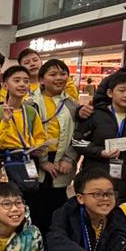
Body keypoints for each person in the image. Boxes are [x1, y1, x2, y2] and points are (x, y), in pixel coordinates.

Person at [74, 71, 126, 202]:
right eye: (121, 90)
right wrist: (100, 152)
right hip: (96, 176)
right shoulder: (95, 115)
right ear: (110, 93)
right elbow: (77, 141)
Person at [28, 59, 80, 235]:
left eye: (63, 74)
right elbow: (27, 133)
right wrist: (42, 161)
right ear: (41, 79)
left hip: (62, 163)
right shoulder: (30, 103)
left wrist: (69, 159)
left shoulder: (72, 105)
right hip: (35, 162)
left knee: (57, 208)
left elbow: (79, 135)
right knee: (35, 207)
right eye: (53, 74)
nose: (59, 78)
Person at [0, 65, 46, 199]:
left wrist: (38, 147)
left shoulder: (31, 111)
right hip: (5, 160)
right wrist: (5, 121)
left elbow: (40, 136)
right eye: (17, 80)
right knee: (8, 197)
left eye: (26, 81)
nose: (22, 84)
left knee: (30, 194)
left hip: (28, 159)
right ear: (5, 85)